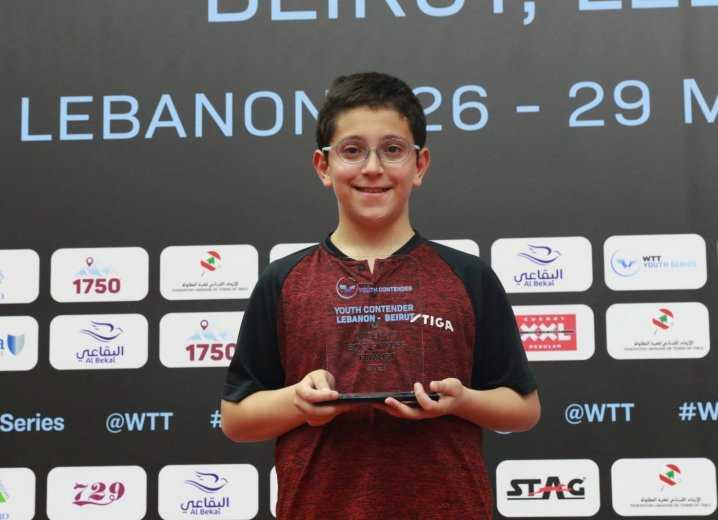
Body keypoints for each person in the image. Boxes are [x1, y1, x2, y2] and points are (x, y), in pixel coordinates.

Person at [221, 72, 540, 519]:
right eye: (352, 150)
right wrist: (298, 401)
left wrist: (463, 401)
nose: (373, 168)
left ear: (420, 165)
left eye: (392, 149)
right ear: (323, 166)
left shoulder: (469, 277)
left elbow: (524, 409)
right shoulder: (283, 280)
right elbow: (236, 419)